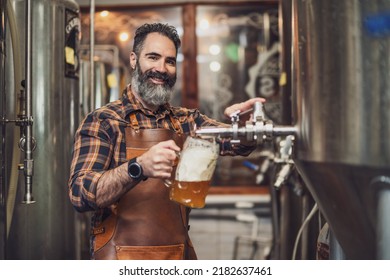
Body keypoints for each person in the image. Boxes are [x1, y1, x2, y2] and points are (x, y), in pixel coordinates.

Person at [68, 22, 264, 260]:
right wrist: (137, 168)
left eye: (170, 61)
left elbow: (238, 144)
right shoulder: (104, 121)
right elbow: (80, 193)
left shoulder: (187, 121)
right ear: (133, 59)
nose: (162, 68)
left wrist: (244, 126)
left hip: (176, 256)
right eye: (153, 57)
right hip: (119, 260)